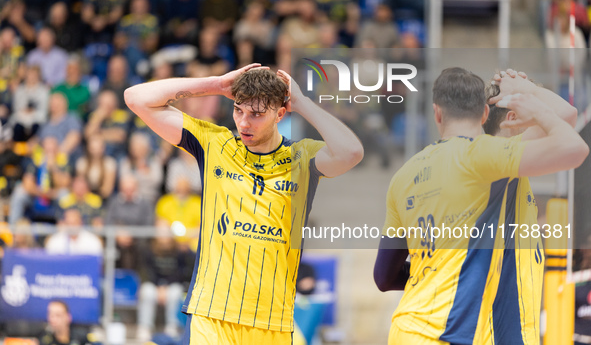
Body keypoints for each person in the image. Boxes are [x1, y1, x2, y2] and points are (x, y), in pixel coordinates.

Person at [124, 64, 363, 343]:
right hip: (211, 314)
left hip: (271, 320)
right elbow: (135, 98)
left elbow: (352, 152)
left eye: (257, 114)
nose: (244, 123)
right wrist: (215, 84)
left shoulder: (302, 157)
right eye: (239, 110)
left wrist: (303, 104)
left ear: (280, 114)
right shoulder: (214, 143)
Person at [374, 67, 588, 344]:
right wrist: (530, 94)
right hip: (456, 333)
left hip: (407, 328)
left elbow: (383, 277)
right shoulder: (490, 158)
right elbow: (569, 125)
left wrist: (433, 277)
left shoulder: (404, 174)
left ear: (437, 113)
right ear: (485, 114)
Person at [477, 69, 577, 345]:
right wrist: (524, 87)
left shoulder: (501, 170)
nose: (540, 120)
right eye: (532, 112)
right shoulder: (494, 161)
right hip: (501, 333)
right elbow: (566, 116)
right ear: (512, 119)